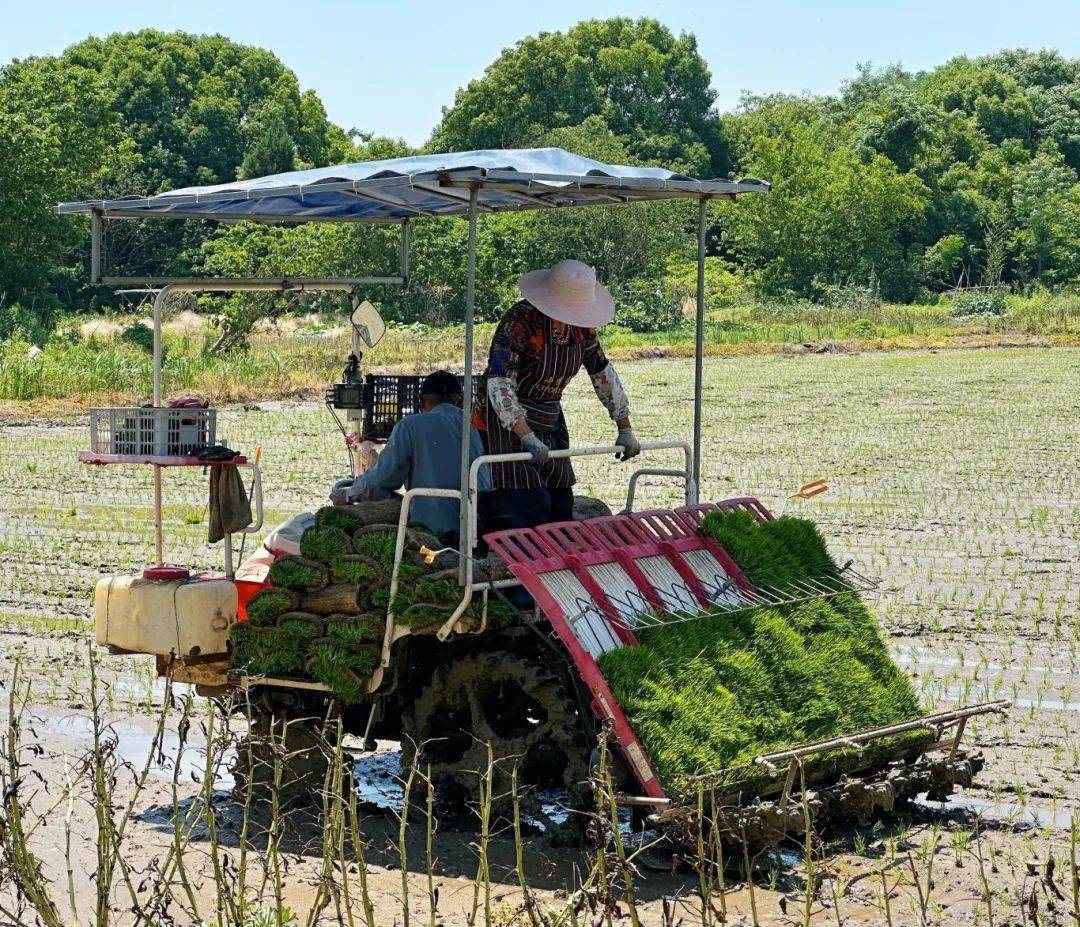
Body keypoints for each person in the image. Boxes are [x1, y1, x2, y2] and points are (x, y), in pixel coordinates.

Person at [476, 259, 640, 534]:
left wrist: (625, 427)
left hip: (550, 417)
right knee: (525, 507)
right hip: (505, 424)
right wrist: (525, 435)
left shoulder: (582, 329)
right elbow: (500, 383)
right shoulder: (520, 322)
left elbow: (602, 373)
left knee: (560, 506)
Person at [329, 370, 490, 542]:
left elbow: (382, 478)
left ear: (420, 401)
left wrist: (348, 494)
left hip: (432, 533)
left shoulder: (410, 426)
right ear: (460, 400)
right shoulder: (476, 425)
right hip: (480, 527)